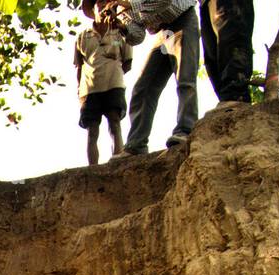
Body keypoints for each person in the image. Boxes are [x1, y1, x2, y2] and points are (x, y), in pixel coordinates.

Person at [107, 0, 200, 157]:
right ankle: (136, 145)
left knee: (185, 78)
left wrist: (130, 5)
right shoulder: (121, 7)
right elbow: (138, 35)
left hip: (182, 20)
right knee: (143, 88)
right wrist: (122, 27)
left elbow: (164, 1)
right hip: (162, 33)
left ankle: (185, 129)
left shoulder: (125, 4)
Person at [76, 0, 140, 165]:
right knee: (92, 130)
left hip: (113, 83)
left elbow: (127, 62)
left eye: (107, 2)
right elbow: (79, 66)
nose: (104, 6)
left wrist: (112, 67)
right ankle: (93, 168)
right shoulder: (83, 36)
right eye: (100, 3)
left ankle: (117, 162)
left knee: (115, 123)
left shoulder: (119, 32)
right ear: (93, 9)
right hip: (89, 87)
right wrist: (79, 90)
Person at [200, 0, 255, 108]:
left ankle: (237, 98)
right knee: (212, 57)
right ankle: (227, 100)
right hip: (204, 3)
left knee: (233, 42)